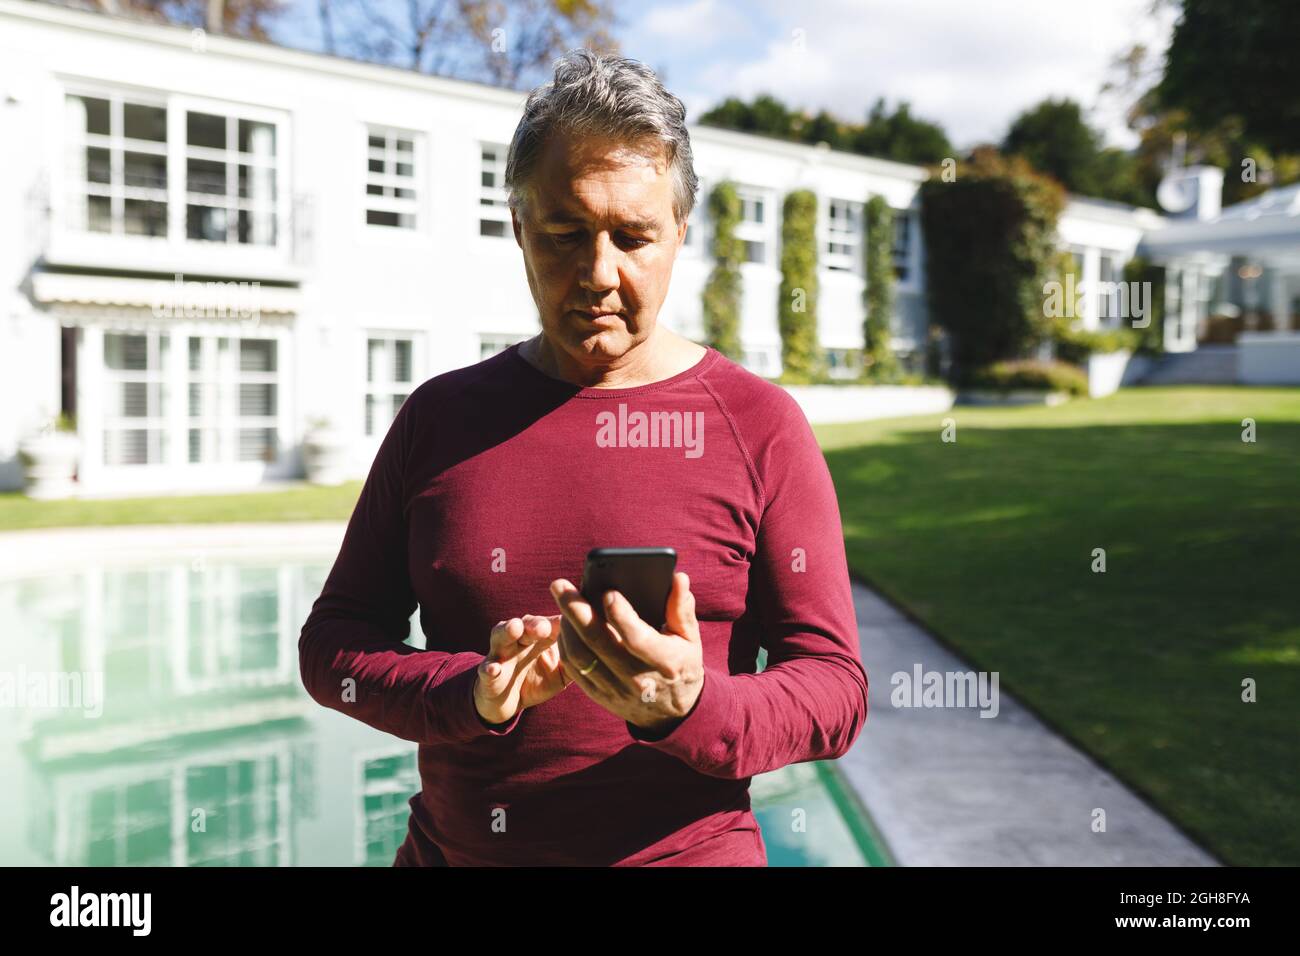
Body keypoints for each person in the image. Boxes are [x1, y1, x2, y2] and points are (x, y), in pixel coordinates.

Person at [298, 48, 868, 866]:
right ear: (519, 225)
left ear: (680, 234)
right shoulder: (440, 418)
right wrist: (470, 695)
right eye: (565, 234)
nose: (599, 274)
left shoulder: (760, 424)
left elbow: (836, 692)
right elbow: (333, 649)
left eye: (633, 237)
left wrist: (688, 706)